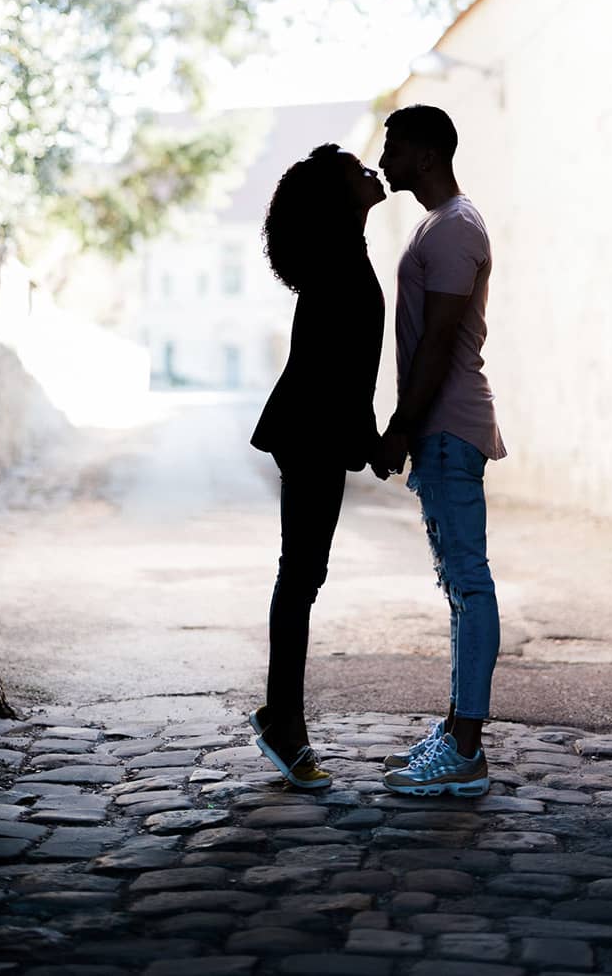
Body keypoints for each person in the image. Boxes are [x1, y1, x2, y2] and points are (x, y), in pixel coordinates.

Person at [375, 105, 506, 797]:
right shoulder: (438, 223)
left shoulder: (455, 227)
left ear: (426, 154)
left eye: (393, 146)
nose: (384, 158)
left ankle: (467, 749)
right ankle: (457, 728)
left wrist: (402, 426)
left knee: (469, 583)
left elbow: (438, 341)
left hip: (450, 427)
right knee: (457, 587)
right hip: (442, 429)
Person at [249, 143, 386, 789]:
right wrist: (376, 441)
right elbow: (339, 371)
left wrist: (370, 439)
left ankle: (281, 716)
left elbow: (348, 369)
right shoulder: (339, 263)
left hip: (314, 430)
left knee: (302, 575)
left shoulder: (345, 253)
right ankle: (283, 722)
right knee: (300, 576)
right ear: (340, 197)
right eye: (358, 170)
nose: (372, 172)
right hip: (311, 430)